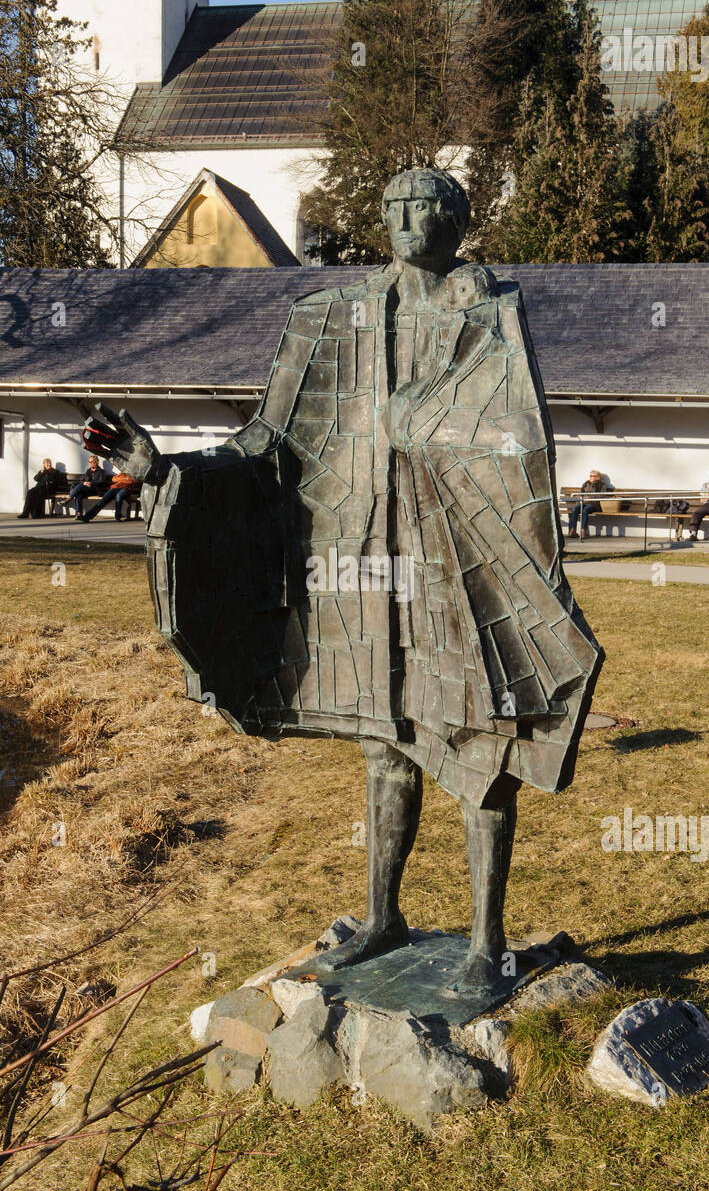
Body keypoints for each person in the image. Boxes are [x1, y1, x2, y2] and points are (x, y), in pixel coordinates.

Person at [90, 167, 604, 995]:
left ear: (456, 219)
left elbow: (516, 440)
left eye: (424, 204)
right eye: (392, 205)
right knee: (381, 746)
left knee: (483, 746)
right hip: (359, 564)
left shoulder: (489, 309)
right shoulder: (330, 317)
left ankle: (484, 940)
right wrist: (165, 471)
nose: (405, 217)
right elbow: (267, 443)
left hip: (457, 559)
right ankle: (381, 916)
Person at [567, 470, 610, 540]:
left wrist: (589, 498)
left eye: (593, 476)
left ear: (598, 477)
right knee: (575, 509)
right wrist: (582, 498)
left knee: (585, 510)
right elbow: (581, 493)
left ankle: (583, 531)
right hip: (584, 503)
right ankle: (572, 530)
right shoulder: (586, 484)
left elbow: (601, 496)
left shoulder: (602, 485)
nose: (591, 477)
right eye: (590, 476)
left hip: (595, 504)